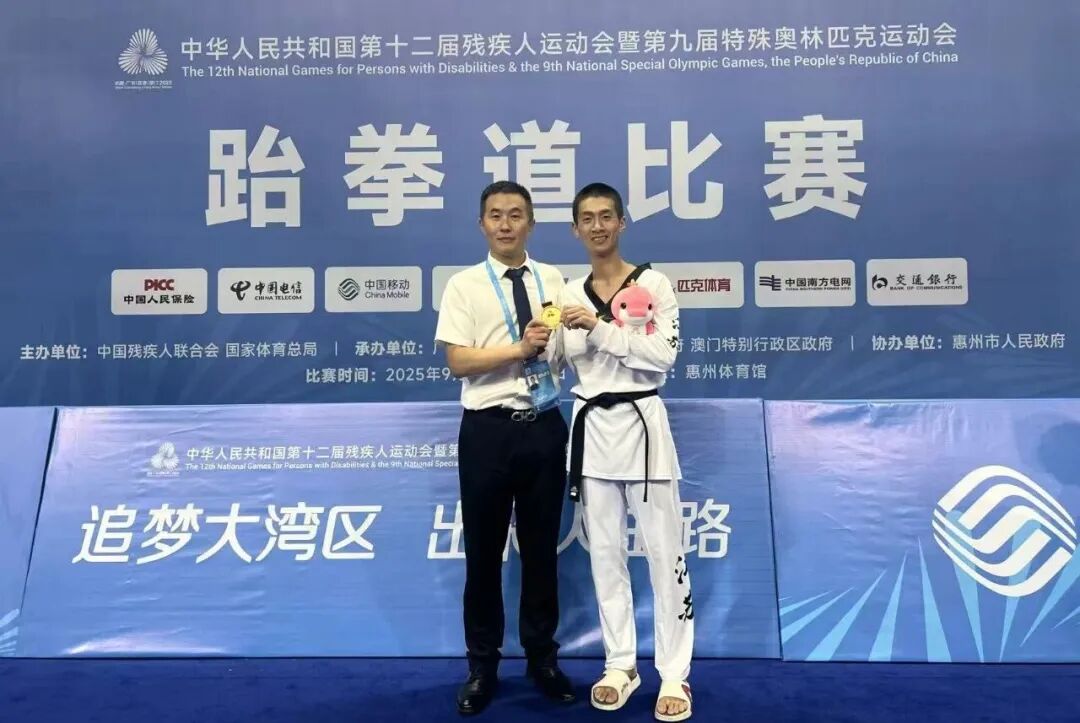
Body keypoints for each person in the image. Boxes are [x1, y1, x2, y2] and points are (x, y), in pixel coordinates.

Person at [435, 180, 575, 716]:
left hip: (544, 425)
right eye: (495, 215)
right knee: (483, 555)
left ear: (531, 223)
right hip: (487, 431)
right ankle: (482, 666)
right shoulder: (464, 285)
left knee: (541, 552)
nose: (506, 224)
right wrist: (517, 349)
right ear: (482, 224)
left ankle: (542, 659)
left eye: (516, 214)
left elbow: (564, 347)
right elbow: (458, 361)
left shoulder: (553, 280)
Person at [557, 183, 693, 721]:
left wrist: (599, 328)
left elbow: (663, 356)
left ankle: (675, 675)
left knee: (664, 554)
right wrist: (540, 342)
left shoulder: (653, 283)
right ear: (575, 229)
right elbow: (561, 360)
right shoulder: (567, 291)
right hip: (591, 430)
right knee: (606, 555)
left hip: (643, 426)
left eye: (606, 216)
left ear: (622, 222)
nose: (597, 226)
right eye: (587, 218)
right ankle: (620, 665)